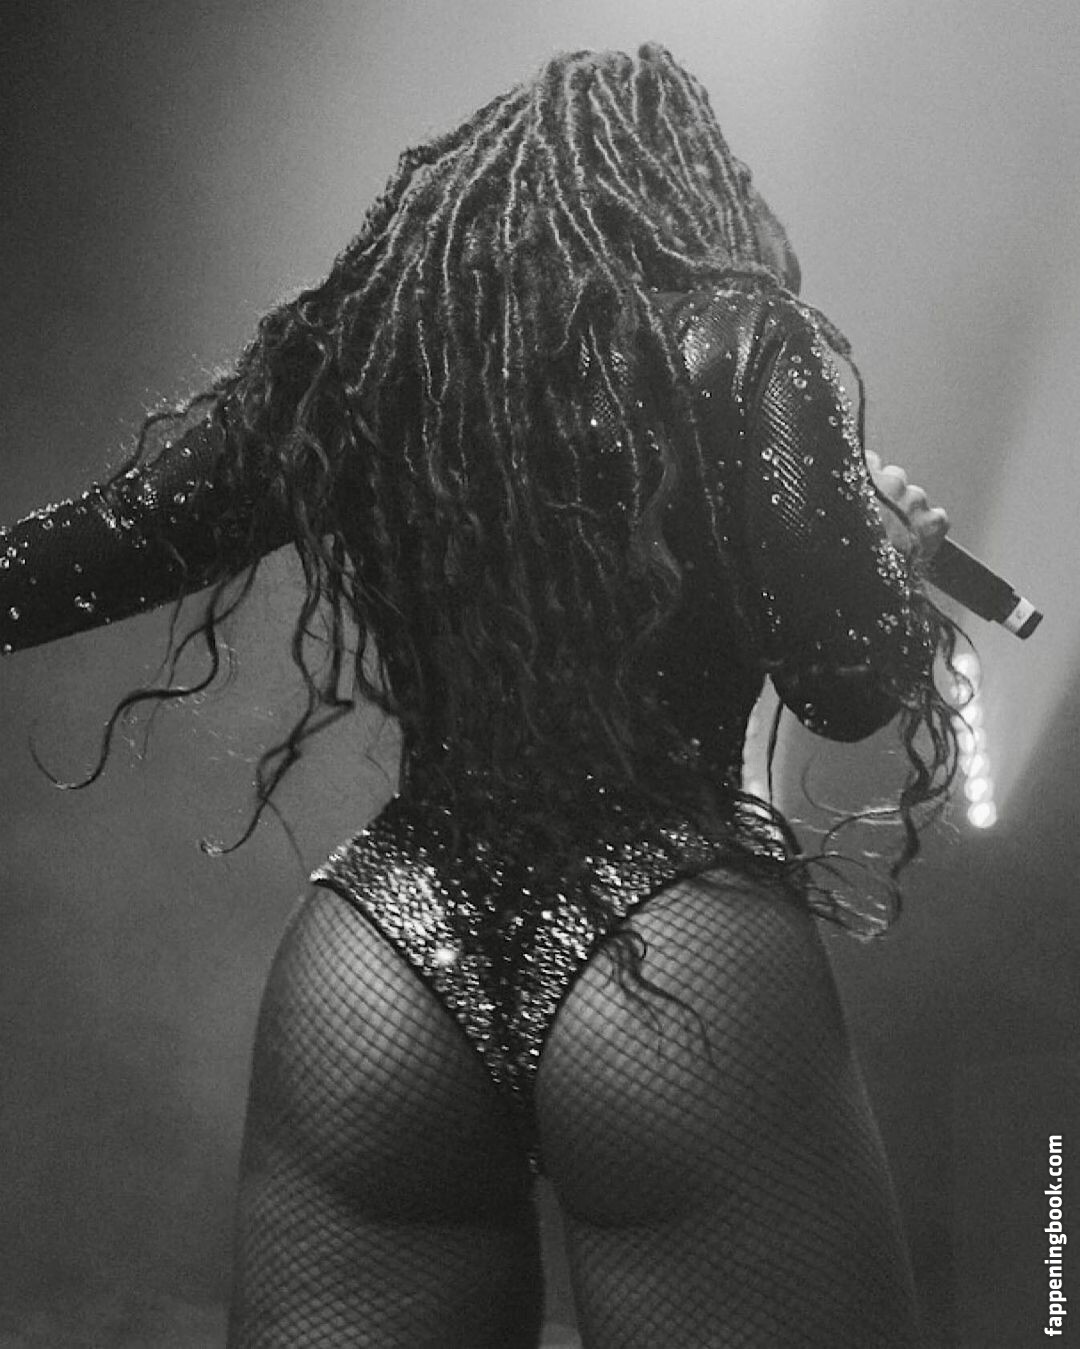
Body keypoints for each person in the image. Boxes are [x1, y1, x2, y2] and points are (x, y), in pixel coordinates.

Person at [0, 42, 959, 1348]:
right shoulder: (743, 338)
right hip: (669, 942)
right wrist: (886, 562)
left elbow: (81, 557)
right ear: (689, 191)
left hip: (385, 956)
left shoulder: (364, 356)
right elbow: (844, 686)